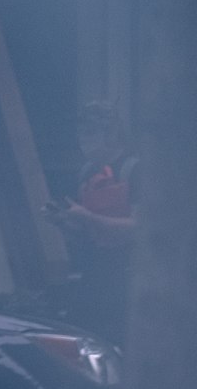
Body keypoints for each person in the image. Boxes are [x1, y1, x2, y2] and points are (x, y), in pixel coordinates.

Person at [42, 100, 140, 344]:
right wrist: (63, 222)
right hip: (96, 270)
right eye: (80, 133)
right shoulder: (86, 172)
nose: (83, 140)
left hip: (129, 273)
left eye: (91, 133)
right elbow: (85, 233)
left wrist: (86, 216)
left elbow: (140, 228)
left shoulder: (134, 170)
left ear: (112, 134)